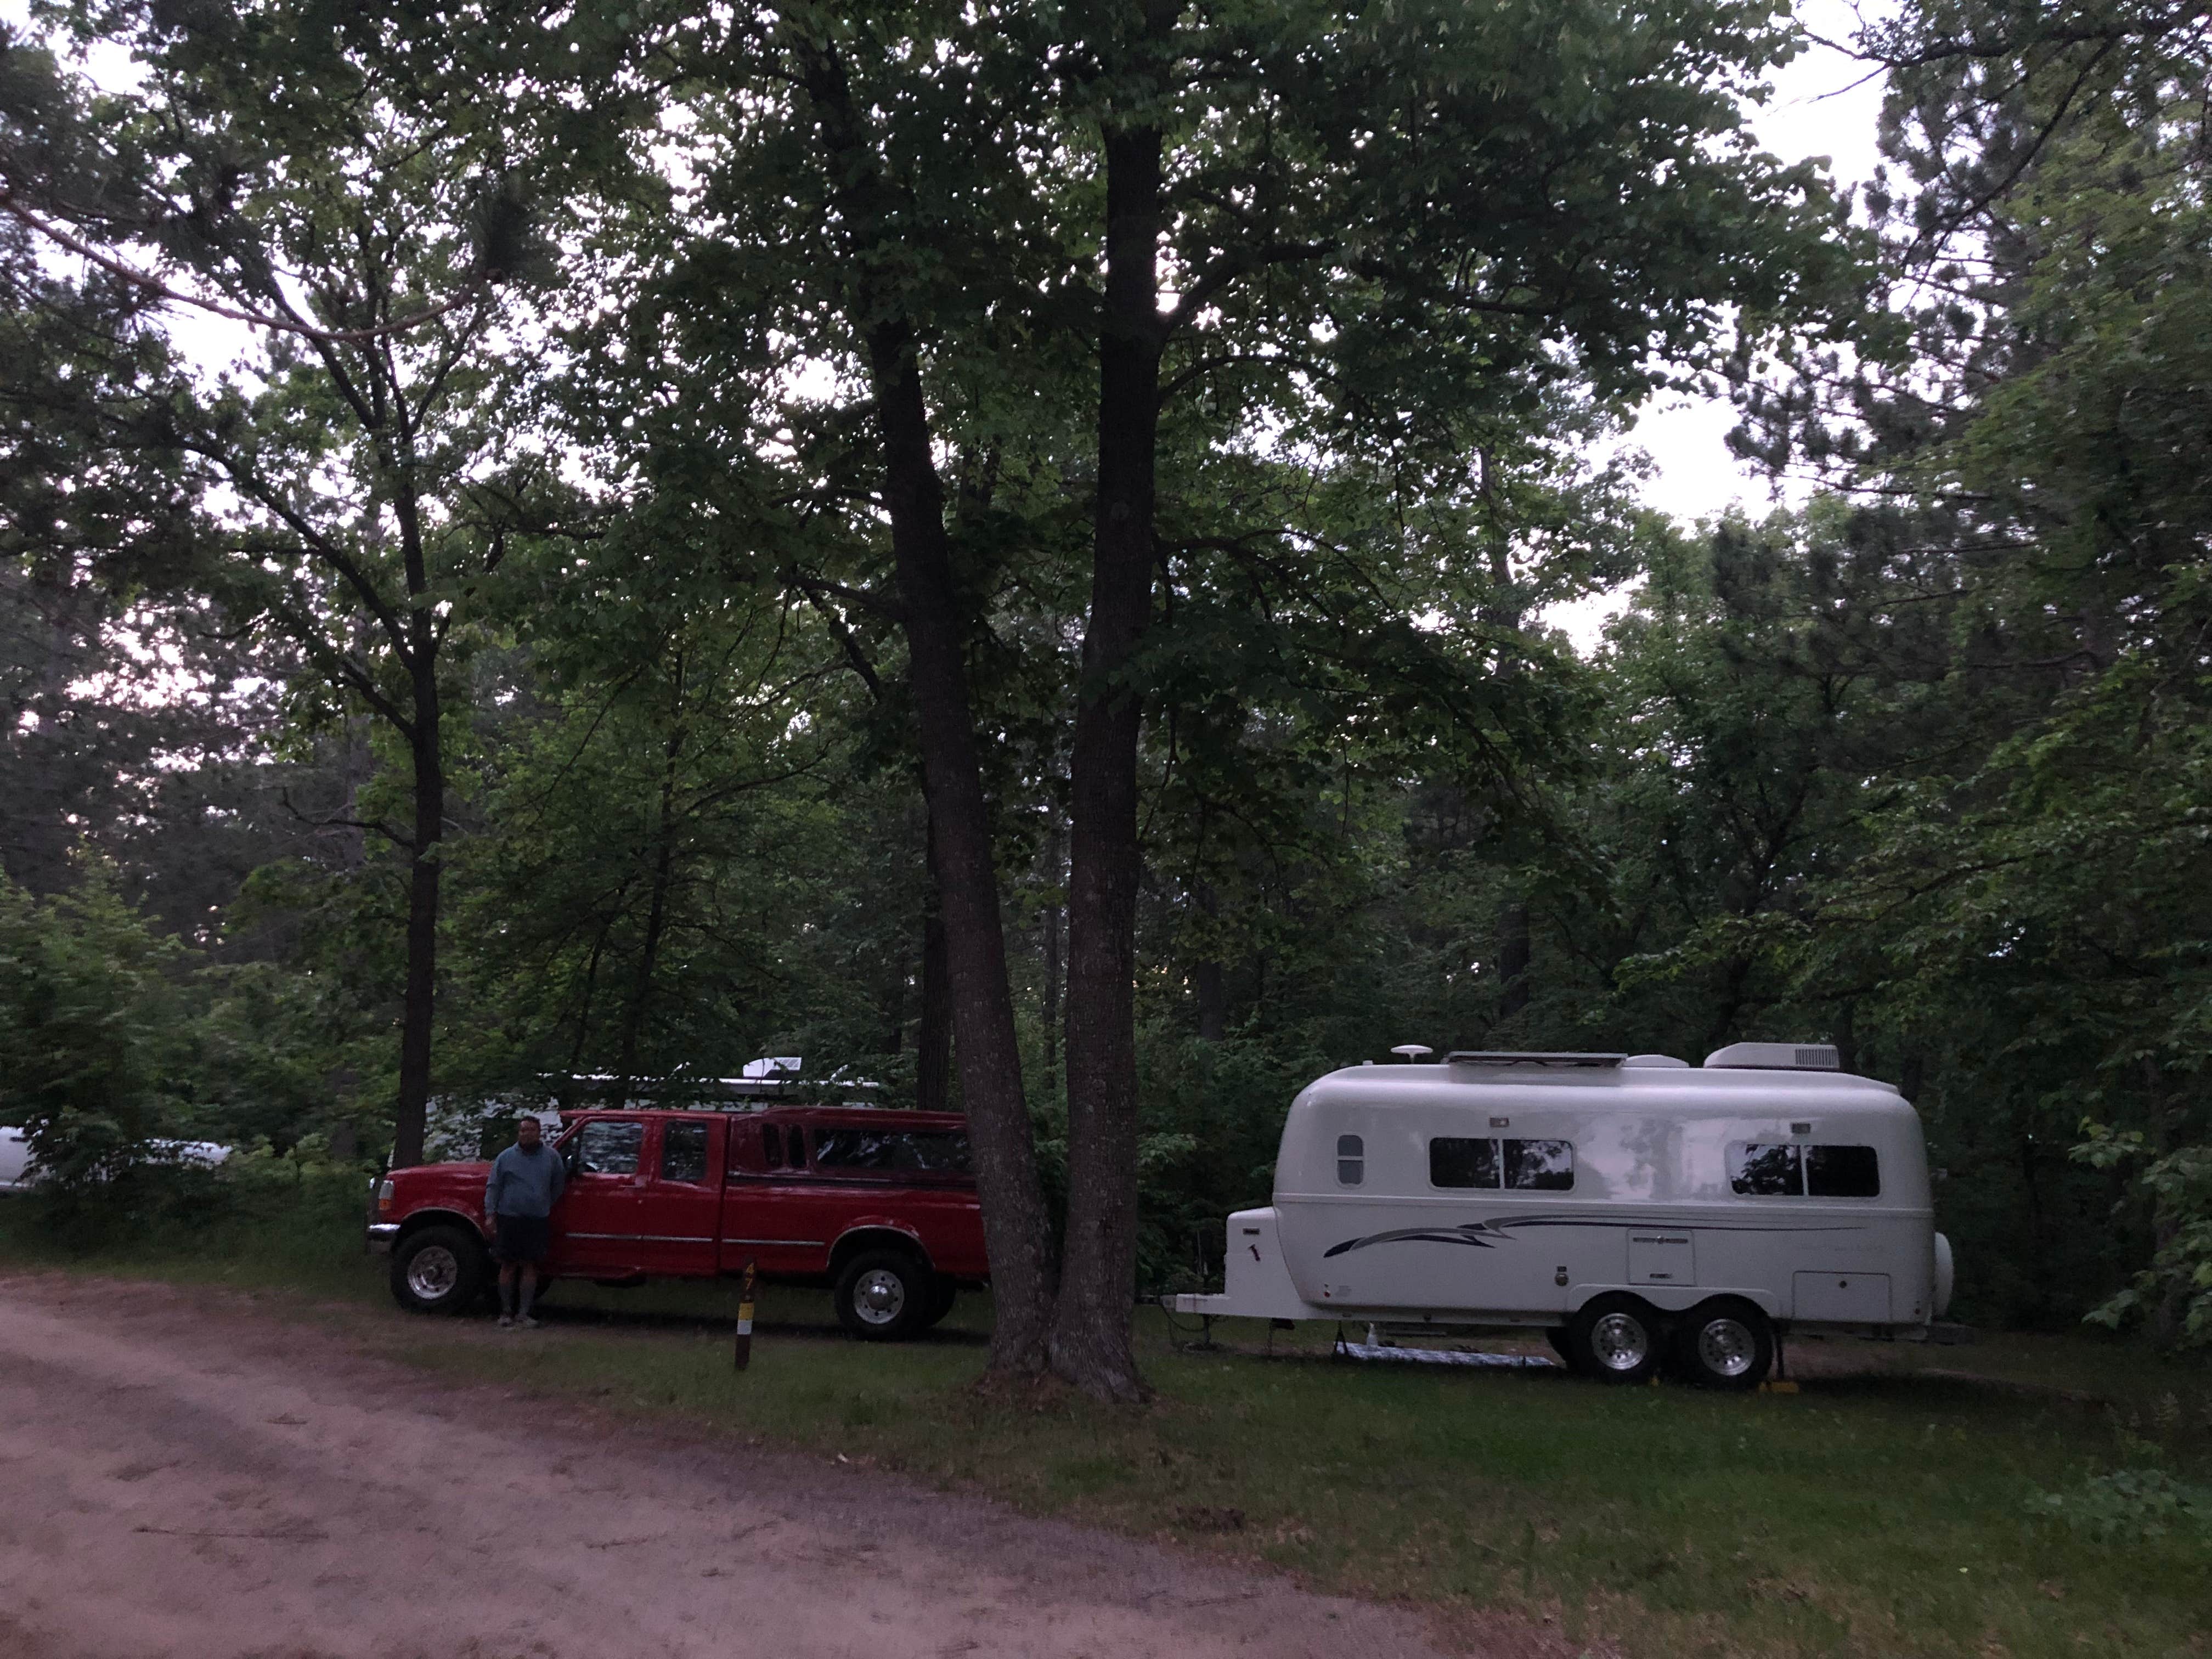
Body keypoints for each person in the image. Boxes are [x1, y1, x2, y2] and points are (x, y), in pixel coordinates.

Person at [484, 1114, 566, 1328]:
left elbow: (559, 1184)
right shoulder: (505, 1157)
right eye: (523, 1130)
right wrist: (491, 1214)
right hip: (509, 1218)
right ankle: (505, 1312)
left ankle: (524, 1314)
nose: (526, 1134)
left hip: (537, 1219)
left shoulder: (552, 1157)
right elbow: (494, 1186)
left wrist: (545, 1203)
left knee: (531, 1265)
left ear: (539, 1133)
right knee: (508, 1265)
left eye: (531, 1130)